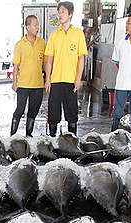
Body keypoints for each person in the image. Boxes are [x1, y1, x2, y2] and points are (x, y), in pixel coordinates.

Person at [44, 1, 87, 136]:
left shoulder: (78, 34)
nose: (60, 14)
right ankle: (52, 142)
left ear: (70, 14)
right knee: (53, 114)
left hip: (70, 80)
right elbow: (49, 59)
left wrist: (78, 79)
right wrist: (48, 78)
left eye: (62, 11)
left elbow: (81, 58)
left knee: (71, 114)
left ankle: (72, 142)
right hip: (56, 80)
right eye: (59, 12)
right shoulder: (54, 35)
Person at [11, 15, 46, 136]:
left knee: (33, 111)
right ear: (28, 27)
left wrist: (48, 80)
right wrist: (14, 82)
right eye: (35, 24)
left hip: (38, 85)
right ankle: (12, 135)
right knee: (19, 111)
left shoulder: (42, 43)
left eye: (38, 24)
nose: (37, 27)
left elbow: (46, 63)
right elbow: (16, 66)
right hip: (23, 85)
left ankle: (28, 135)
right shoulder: (20, 45)